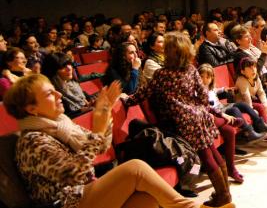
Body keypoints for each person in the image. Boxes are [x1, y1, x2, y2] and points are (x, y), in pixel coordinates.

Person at [4, 74, 201, 208]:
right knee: (135, 168)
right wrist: (97, 131)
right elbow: (73, 174)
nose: (59, 94)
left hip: (83, 194)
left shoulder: (61, 125)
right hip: (66, 203)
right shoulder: (32, 140)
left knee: (146, 199)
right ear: (31, 109)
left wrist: (104, 116)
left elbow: (99, 147)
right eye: (50, 93)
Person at [125, 32, 235, 208]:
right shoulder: (191, 69)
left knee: (207, 157)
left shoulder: (162, 74)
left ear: (171, 52)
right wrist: (197, 108)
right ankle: (225, 193)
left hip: (183, 121)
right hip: (200, 116)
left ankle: (223, 197)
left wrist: (125, 100)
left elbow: (143, 94)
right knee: (213, 152)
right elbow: (203, 96)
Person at [43, 52, 93, 117]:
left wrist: (92, 103)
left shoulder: (73, 83)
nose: (69, 68)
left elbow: (87, 99)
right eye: (62, 67)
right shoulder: (53, 93)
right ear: (53, 71)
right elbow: (61, 117)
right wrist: (81, 111)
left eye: (69, 64)